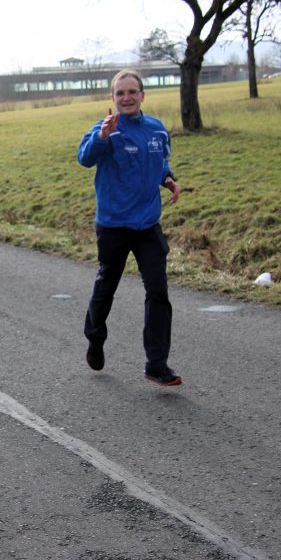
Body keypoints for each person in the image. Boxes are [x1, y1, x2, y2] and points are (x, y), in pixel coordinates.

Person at [77, 69, 183, 386]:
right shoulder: (105, 128)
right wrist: (103, 137)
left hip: (148, 223)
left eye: (131, 92)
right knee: (106, 285)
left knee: (158, 292)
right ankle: (94, 336)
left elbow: (159, 161)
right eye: (120, 93)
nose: (126, 98)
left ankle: (156, 363)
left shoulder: (156, 129)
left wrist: (168, 179)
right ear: (113, 98)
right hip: (113, 225)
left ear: (142, 96)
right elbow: (84, 158)